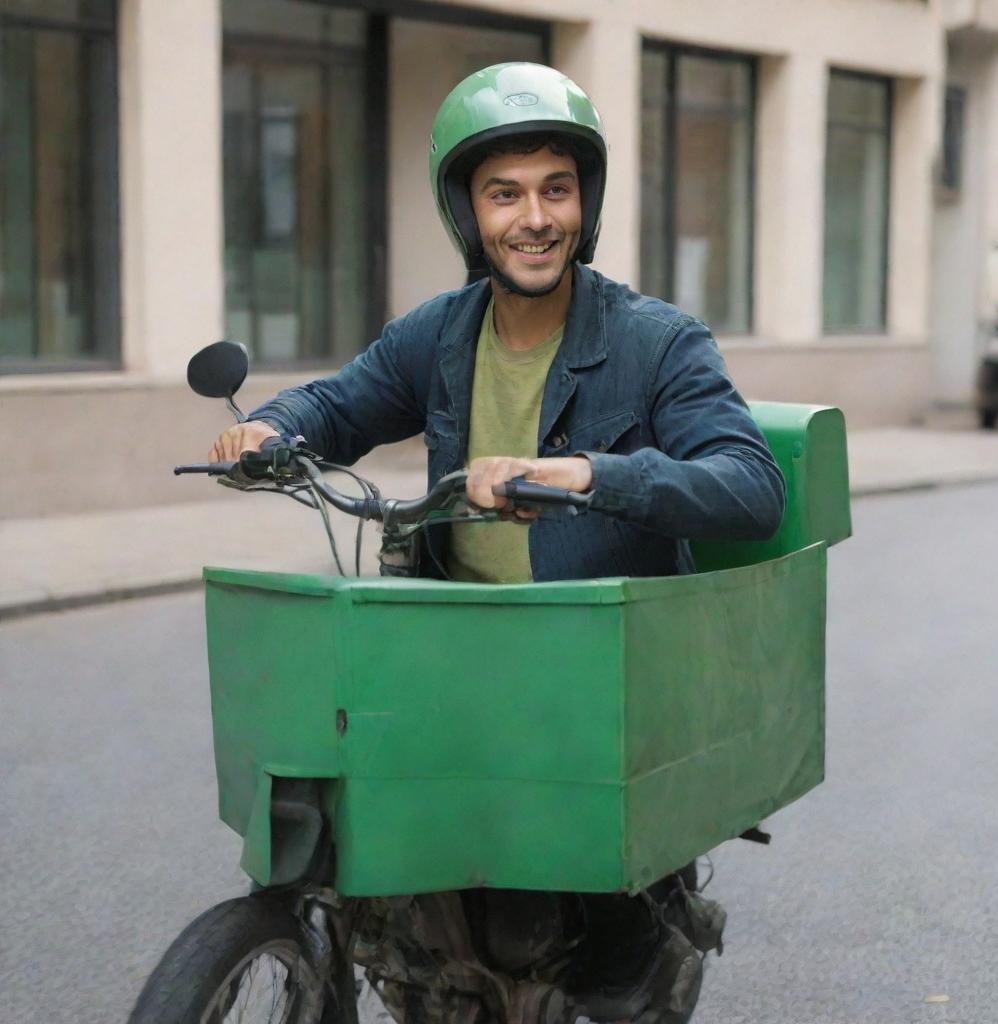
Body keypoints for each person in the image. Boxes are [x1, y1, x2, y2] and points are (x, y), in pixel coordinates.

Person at [210, 63, 784, 1024]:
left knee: (603, 962)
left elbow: (750, 486)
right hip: (458, 641)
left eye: (555, 189)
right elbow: (338, 404)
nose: (534, 218)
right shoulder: (440, 334)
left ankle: (627, 949)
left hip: (594, 668)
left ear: (584, 202)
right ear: (467, 211)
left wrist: (595, 474)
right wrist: (269, 429)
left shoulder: (659, 342)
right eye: (505, 193)